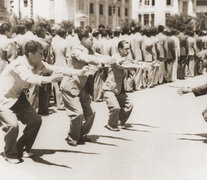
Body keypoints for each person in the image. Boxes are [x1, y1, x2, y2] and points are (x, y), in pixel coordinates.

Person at [0, 40, 88, 164]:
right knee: (12, 125)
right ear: (30, 54)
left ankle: (21, 148)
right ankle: (9, 153)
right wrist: (49, 79)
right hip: (2, 98)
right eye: (40, 54)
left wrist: (79, 72)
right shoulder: (19, 64)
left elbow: (56, 68)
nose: (42, 57)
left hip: (17, 96)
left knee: (35, 120)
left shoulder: (38, 62)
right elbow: (29, 78)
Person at [61, 29, 115, 146]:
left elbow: (98, 56)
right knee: (78, 113)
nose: (93, 41)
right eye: (91, 39)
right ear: (83, 39)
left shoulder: (90, 50)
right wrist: (99, 62)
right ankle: (72, 137)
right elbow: (85, 58)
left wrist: (112, 59)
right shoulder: (76, 49)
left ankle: (80, 134)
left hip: (82, 87)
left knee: (91, 112)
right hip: (71, 86)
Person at [103, 40, 133, 131]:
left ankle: (120, 121)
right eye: (126, 49)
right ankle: (111, 124)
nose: (128, 51)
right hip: (110, 89)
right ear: (120, 49)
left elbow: (133, 64)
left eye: (129, 49)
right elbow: (122, 65)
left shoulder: (126, 58)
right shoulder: (115, 57)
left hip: (119, 89)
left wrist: (148, 65)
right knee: (115, 107)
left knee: (129, 105)